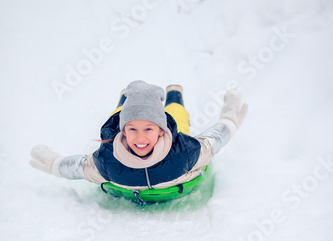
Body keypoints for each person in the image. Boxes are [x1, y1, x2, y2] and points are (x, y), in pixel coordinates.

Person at [30, 81, 248, 194]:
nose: (140, 137)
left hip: (169, 137)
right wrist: (55, 164)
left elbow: (212, 142)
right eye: (132, 130)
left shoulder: (183, 152)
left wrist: (229, 121)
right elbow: (80, 167)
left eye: (149, 130)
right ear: (123, 132)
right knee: (116, 117)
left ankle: (174, 93)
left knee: (178, 119)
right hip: (123, 130)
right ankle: (124, 100)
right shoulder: (109, 161)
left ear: (161, 131)